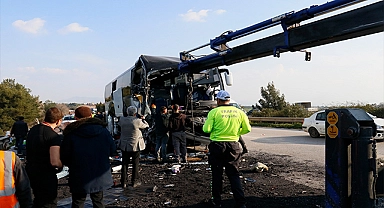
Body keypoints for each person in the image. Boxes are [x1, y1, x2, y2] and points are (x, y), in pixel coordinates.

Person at [203, 90, 251, 208]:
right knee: (234, 174)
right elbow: (247, 129)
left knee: (217, 175)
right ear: (229, 100)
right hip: (233, 146)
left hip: (217, 146)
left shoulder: (214, 112)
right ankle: (241, 203)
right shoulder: (239, 112)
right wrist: (236, 133)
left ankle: (217, 201)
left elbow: (206, 129)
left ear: (218, 100)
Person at [61, 106, 116, 208]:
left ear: (76, 117)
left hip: (79, 173)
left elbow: (64, 155)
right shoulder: (103, 131)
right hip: (99, 173)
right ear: (91, 115)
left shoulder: (71, 134)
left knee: (78, 202)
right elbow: (112, 150)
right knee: (98, 201)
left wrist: (72, 164)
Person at [25, 107, 63, 208]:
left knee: (38, 200)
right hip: (45, 174)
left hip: (31, 171)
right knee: (48, 202)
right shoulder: (53, 136)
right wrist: (61, 166)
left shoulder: (33, 130)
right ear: (58, 120)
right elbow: (54, 161)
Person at [117, 106, 149, 188]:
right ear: (135, 113)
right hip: (135, 145)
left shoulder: (122, 120)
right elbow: (146, 126)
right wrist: (143, 119)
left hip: (124, 145)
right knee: (135, 164)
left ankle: (123, 182)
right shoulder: (137, 121)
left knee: (124, 164)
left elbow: (119, 125)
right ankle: (134, 181)